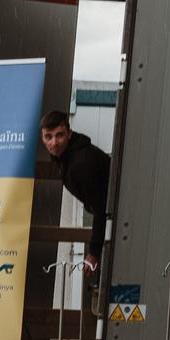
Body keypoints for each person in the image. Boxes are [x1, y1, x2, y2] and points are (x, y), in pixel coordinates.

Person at [39, 109, 111, 275]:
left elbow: (101, 207)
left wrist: (93, 253)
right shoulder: (65, 158)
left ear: (69, 134)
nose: (54, 143)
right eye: (48, 137)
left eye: (59, 135)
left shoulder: (80, 163)